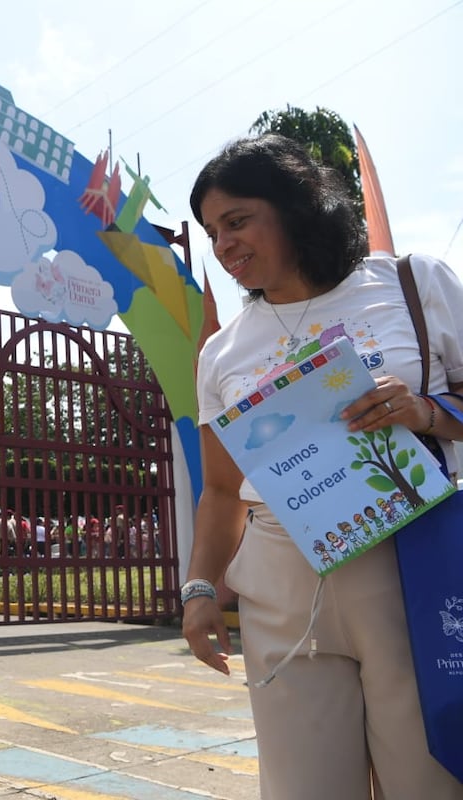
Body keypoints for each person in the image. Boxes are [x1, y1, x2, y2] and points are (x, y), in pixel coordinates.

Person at [182, 133, 463, 798]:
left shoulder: (410, 283)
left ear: (298, 205)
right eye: (213, 232)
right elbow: (221, 489)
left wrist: (425, 412)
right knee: (304, 786)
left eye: (238, 220)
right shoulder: (221, 354)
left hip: (412, 565)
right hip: (282, 584)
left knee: (430, 777)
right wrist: (199, 591)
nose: (224, 246)